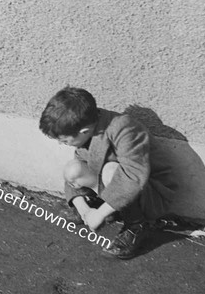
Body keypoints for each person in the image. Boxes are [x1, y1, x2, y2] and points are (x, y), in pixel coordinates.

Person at [39, 87, 177, 259]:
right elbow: (80, 164)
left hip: (148, 193)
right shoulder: (87, 126)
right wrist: (84, 209)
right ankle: (102, 206)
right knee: (73, 169)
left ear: (83, 131)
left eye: (64, 139)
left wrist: (99, 214)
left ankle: (136, 225)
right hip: (114, 190)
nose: (61, 143)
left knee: (111, 171)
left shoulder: (124, 128)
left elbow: (133, 177)